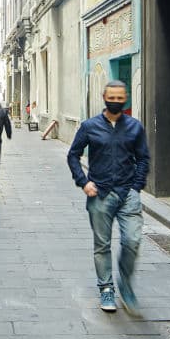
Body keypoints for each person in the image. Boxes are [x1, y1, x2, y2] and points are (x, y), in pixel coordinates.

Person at [67, 80, 150, 314]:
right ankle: (106, 288)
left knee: (132, 241)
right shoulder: (89, 126)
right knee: (102, 245)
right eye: (111, 98)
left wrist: (137, 186)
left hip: (128, 194)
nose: (115, 102)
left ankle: (125, 283)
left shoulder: (135, 127)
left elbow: (143, 158)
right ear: (104, 97)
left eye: (120, 98)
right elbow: (73, 155)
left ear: (126, 98)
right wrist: (83, 182)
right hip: (100, 193)